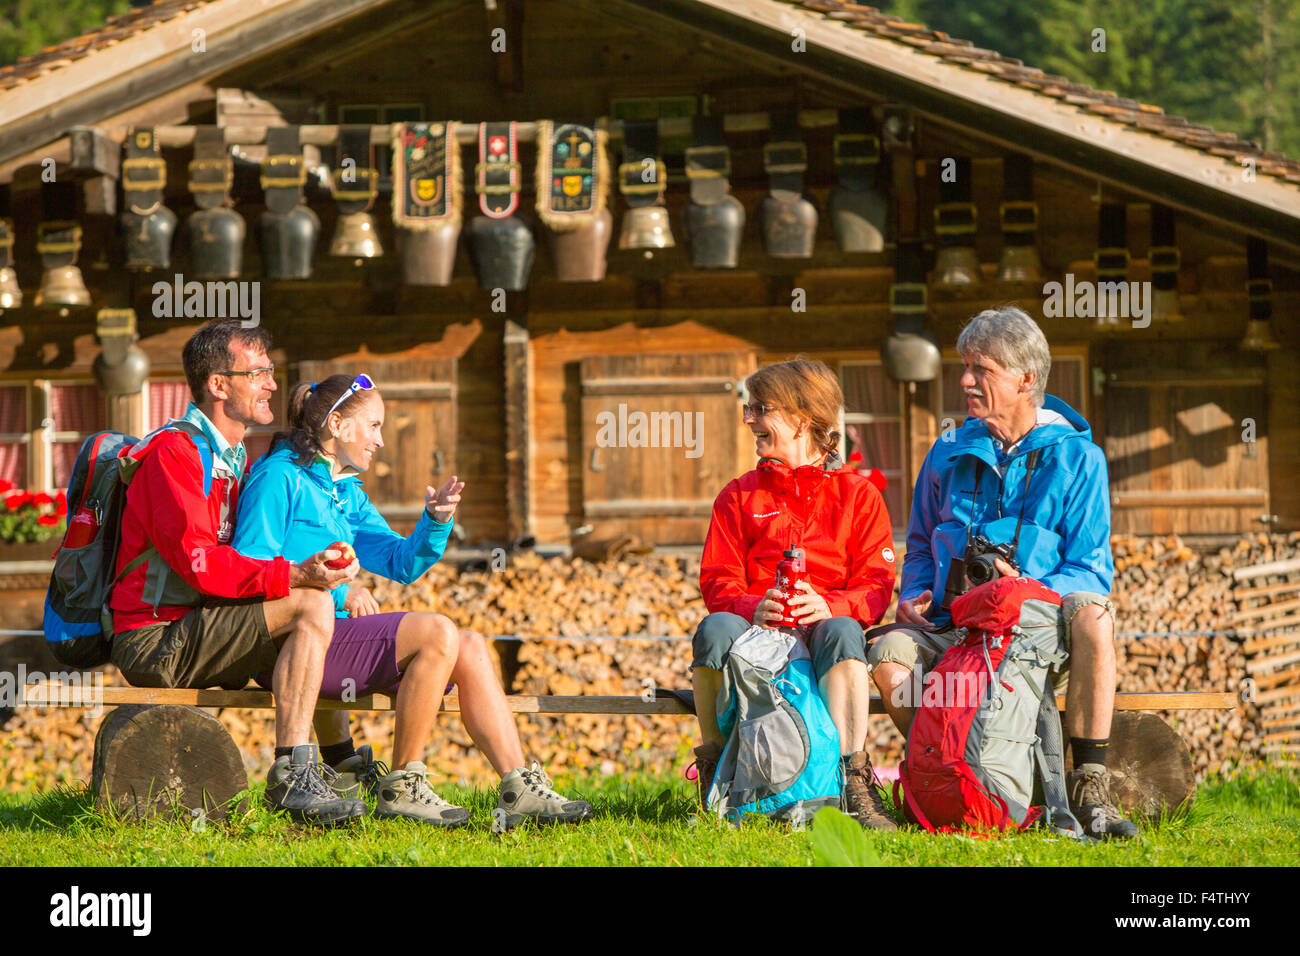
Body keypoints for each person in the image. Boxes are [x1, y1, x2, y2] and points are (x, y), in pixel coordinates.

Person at [230, 372, 594, 830]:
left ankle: (519, 786)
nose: (380, 441)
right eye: (375, 426)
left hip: (333, 639)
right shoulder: (277, 478)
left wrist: (434, 520)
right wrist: (336, 588)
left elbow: (403, 562)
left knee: (472, 646)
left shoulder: (343, 493)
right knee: (437, 632)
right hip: (291, 646)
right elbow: (249, 570)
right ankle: (402, 783)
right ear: (337, 425)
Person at [867, 306, 1139, 839]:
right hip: (952, 629)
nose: (965, 380)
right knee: (889, 659)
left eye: (982, 369)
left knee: (1096, 616)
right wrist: (916, 591)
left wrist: (1022, 589)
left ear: (1026, 379)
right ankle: (951, 777)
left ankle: (1088, 788)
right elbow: (920, 543)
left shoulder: (1079, 458)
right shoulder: (945, 452)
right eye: (966, 367)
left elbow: (1088, 570)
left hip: (1036, 634)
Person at [109, 319, 369, 826]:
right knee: (311, 605)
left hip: (198, 628)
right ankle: (294, 777)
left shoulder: (229, 459)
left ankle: (347, 767)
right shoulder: (175, 455)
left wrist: (331, 569)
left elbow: (251, 555)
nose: (273, 383)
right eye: (259, 372)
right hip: (155, 639)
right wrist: (296, 576)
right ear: (219, 385)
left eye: (270, 371)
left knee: (323, 613)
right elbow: (200, 563)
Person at [692, 358, 899, 830]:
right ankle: (714, 770)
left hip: (825, 632)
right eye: (748, 408)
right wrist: (751, 605)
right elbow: (716, 579)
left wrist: (831, 606)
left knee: (846, 629)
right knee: (715, 628)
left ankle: (853, 782)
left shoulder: (858, 495)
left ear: (803, 419)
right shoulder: (738, 495)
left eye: (760, 409)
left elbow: (875, 585)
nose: (749, 420)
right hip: (755, 634)